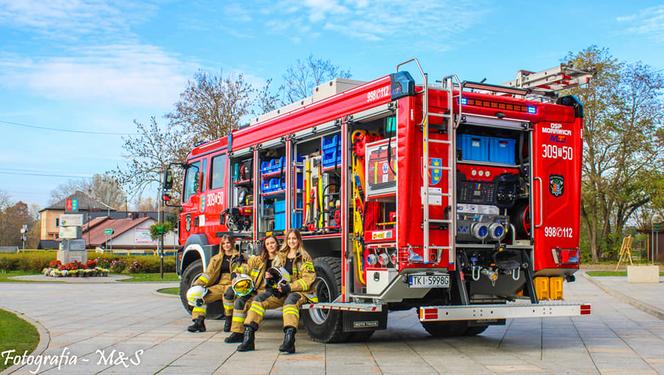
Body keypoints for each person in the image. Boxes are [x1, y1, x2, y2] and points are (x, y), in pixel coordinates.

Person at [238, 229, 317, 353]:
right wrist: (270, 278)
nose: (291, 241)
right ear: (286, 241)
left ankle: (289, 341)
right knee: (258, 300)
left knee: (290, 303)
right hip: (280, 291)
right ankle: (248, 338)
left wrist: (289, 287)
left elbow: (308, 280)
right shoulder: (280, 256)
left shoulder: (305, 257)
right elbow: (276, 272)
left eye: (294, 239)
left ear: (299, 240)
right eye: (289, 239)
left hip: (299, 292)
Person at [224, 235, 280, 343]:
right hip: (256, 290)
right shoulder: (259, 260)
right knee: (239, 301)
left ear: (277, 244)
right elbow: (244, 268)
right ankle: (237, 332)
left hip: (272, 291)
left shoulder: (282, 259)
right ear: (265, 246)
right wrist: (235, 275)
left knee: (256, 301)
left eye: (272, 243)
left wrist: (273, 278)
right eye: (268, 244)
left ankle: (249, 331)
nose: (270, 246)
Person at [186, 235, 245, 333]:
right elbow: (208, 274)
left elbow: (243, 270)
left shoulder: (239, 257)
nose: (226, 245)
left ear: (232, 243)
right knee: (200, 296)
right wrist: (197, 284)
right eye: (224, 243)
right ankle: (198, 322)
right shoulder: (216, 258)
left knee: (228, 296)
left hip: (232, 285)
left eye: (228, 243)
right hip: (219, 285)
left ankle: (228, 320)